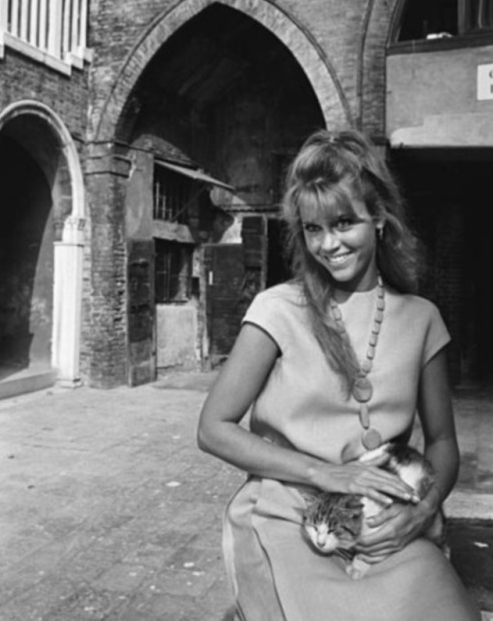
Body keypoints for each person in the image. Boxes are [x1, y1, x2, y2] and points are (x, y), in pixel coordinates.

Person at [197, 129, 480, 621]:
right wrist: (324, 472)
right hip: (290, 513)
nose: (329, 245)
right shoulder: (277, 310)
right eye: (313, 229)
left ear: (380, 221)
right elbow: (212, 428)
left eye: (344, 222)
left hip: (385, 517)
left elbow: (442, 443)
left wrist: (420, 510)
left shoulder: (422, 318)